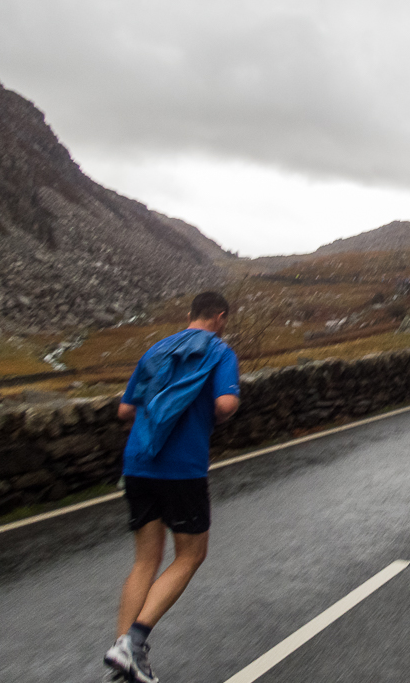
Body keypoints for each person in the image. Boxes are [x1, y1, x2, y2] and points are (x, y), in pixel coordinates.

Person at [103, 292, 241, 683]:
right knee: (191, 555)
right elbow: (227, 404)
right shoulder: (219, 351)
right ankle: (134, 642)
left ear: (188, 315)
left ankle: (121, 656)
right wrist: (210, 414)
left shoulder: (157, 349)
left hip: (138, 464)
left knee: (145, 560)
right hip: (182, 468)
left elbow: (125, 410)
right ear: (220, 316)